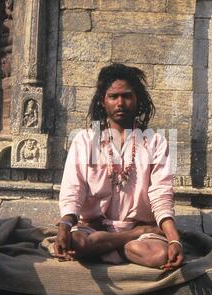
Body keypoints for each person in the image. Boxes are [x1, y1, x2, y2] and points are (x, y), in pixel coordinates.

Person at [54, 64, 184, 270]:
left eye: (127, 96)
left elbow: (162, 194)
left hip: (142, 228)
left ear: (137, 100)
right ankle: (127, 240)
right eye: (113, 96)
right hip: (93, 228)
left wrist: (174, 239)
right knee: (76, 245)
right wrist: (64, 227)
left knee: (160, 255)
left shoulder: (156, 142)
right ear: (102, 101)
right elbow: (73, 190)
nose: (120, 103)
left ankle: (109, 246)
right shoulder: (85, 140)